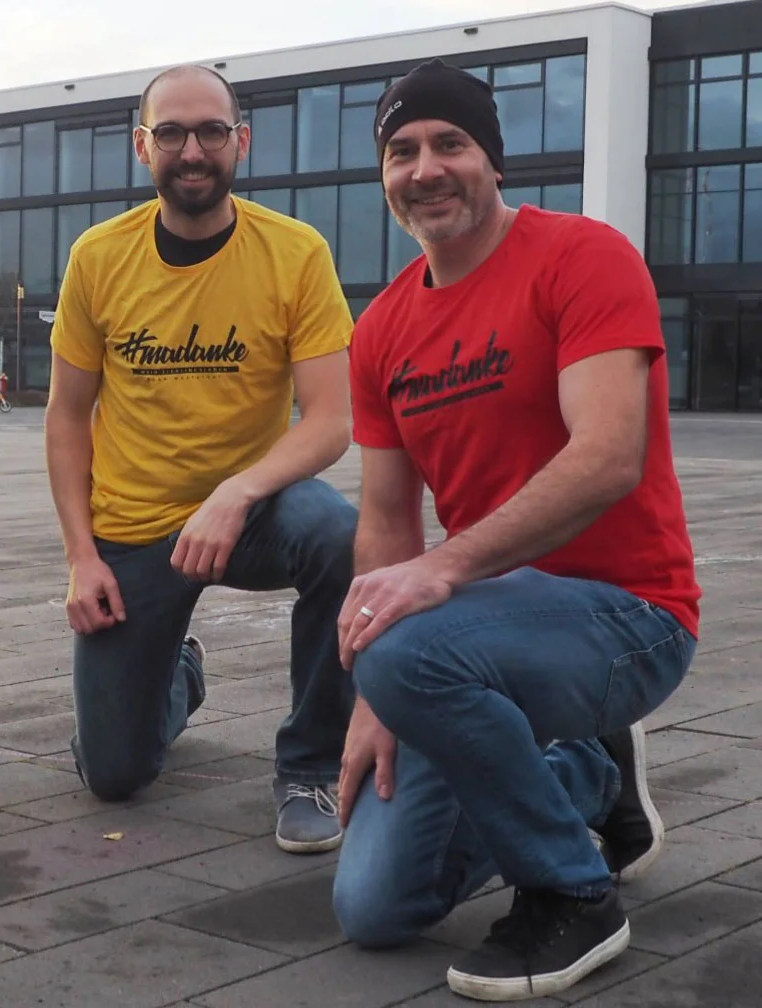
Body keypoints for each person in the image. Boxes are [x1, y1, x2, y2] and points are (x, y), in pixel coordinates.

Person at [330, 58, 700, 1001]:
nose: (426, 169)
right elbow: (385, 518)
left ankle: (573, 893)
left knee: (409, 646)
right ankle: (587, 772)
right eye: (402, 151)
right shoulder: (382, 329)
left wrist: (440, 576)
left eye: (450, 144)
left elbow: (608, 456)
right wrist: (377, 697)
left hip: (628, 616)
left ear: (493, 161)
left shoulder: (583, 256)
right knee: (374, 908)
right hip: (482, 637)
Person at [45, 64, 358, 854]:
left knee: (342, 537)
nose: (193, 150)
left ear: (240, 141)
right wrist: (81, 558)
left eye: (212, 131)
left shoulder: (294, 253)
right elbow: (67, 417)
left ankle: (311, 767)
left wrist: (238, 491)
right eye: (172, 133)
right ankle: (178, 672)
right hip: (133, 529)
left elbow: (331, 421)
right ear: (141, 146)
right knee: (113, 774)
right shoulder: (98, 257)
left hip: (252, 516)